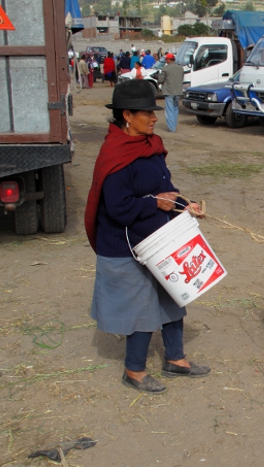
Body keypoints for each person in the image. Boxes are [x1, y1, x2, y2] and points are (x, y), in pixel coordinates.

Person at [85, 79, 210, 394]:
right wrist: (155, 203)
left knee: (172, 296)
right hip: (126, 245)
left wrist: (185, 204)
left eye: (154, 112)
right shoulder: (115, 153)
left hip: (157, 239)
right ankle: (134, 371)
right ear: (127, 115)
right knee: (140, 309)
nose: (154, 118)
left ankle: (175, 360)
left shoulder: (149, 146)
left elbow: (164, 187)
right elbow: (118, 209)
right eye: (147, 113)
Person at [157, 53, 184, 133]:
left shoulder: (166, 68)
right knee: (175, 108)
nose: (166, 61)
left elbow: (160, 80)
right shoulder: (180, 68)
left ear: (169, 59)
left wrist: (158, 78)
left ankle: (172, 128)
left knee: (169, 110)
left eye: (166, 59)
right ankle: (174, 125)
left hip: (169, 91)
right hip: (178, 91)